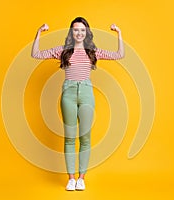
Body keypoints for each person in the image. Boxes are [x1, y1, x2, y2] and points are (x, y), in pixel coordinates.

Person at [31, 17, 124, 191]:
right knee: (70, 138)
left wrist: (119, 33)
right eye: (76, 30)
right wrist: (39, 33)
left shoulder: (92, 51)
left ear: (86, 32)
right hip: (69, 94)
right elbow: (36, 54)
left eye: (82, 30)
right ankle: (71, 178)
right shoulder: (63, 51)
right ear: (71, 32)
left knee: (85, 138)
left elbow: (119, 54)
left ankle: (82, 178)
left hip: (87, 93)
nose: (79, 33)